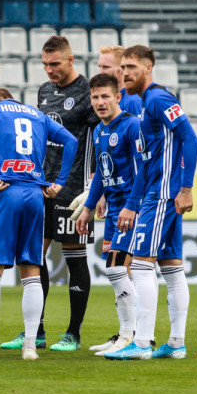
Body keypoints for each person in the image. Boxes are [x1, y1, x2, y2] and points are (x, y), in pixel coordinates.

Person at [1, 35, 99, 352]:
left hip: (74, 188)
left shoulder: (87, 92)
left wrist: (96, 188)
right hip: (43, 186)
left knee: (74, 257)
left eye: (54, 64)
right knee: (33, 254)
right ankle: (36, 331)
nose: (49, 70)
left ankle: (73, 333)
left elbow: (97, 138)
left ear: (70, 60)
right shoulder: (44, 91)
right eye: (44, 64)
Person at [0, 87, 78, 361]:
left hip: (7, 189)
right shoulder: (37, 114)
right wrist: (60, 182)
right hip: (35, 195)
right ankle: (29, 346)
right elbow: (71, 141)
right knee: (31, 270)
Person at [104, 45, 197, 361]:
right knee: (171, 269)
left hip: (162, 195)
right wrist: (132, 203)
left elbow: (191, 138)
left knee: (143, 266)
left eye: (131, 66)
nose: (125, 73)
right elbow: (146, 161)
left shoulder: (158, 99)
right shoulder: (145, 106)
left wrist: (185, 188)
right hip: (155, 194)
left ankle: (141, 343)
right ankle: (175, 342)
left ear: (148, 67)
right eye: (123, 67)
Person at [74, 74, 142, 356]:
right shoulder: (100, 131)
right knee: (118, 272)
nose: (100, 102)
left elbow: (143, 170)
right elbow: (102, 176)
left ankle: (133, 335)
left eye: (105, 96)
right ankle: (126, 335)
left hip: (130, 210)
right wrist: (88, 207)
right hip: (113, 211)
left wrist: (133, 205)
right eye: (95, 97)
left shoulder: (131, 125)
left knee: (116, 269)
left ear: (117, 97)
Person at [98, 45, 142, 116]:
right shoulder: (107, 100)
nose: (101, 72)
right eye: (100, 67)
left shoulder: (133, 101)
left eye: (106, 67)